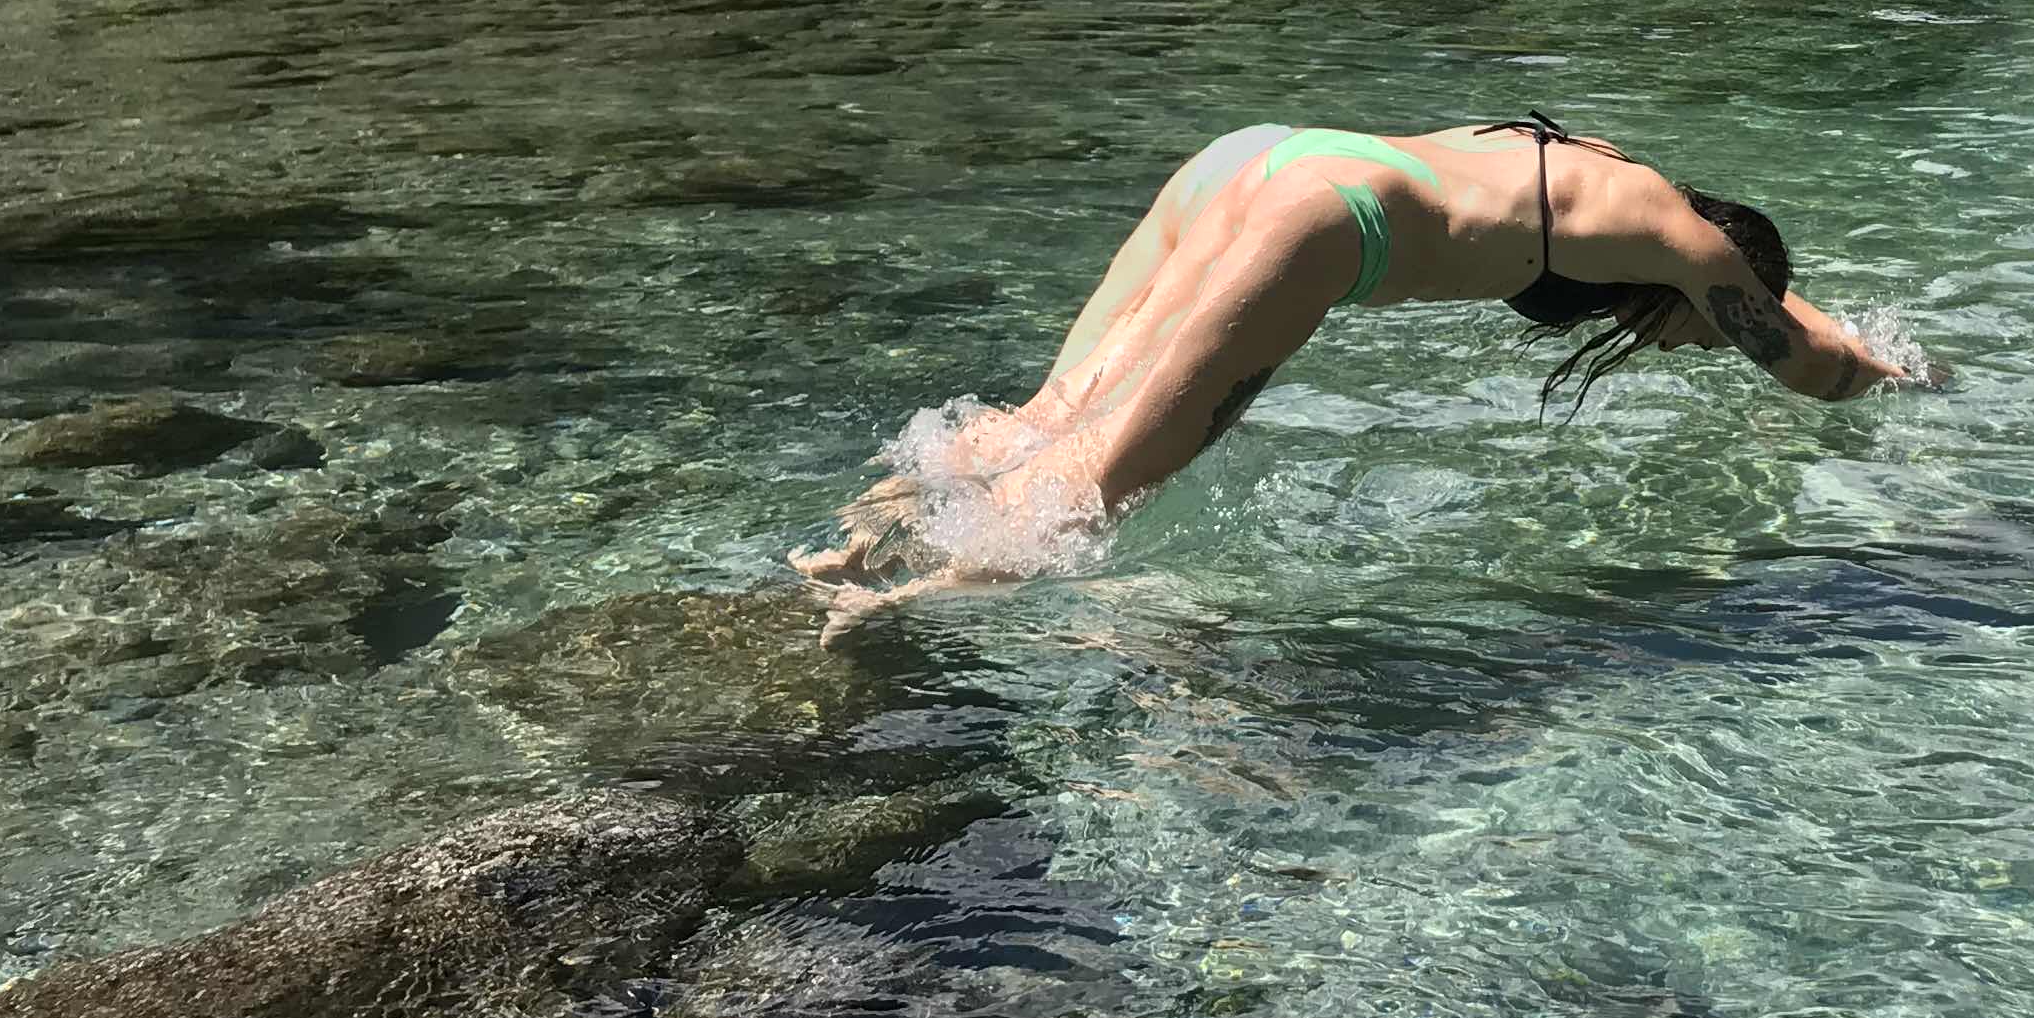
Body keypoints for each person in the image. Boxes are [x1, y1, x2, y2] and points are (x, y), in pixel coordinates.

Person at [795, 116, 1923, 624]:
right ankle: (898, 609)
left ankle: (859, 536)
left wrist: (1809, 309)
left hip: (1256, 158)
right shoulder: (1689, 252)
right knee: (1107, 477)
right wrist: (1906, 378)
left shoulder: (1626, 180)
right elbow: (1807, 363)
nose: (1691, 344)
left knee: (1053, 413)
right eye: (1702, 335)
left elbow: (1761, 295)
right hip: (1325, 221)